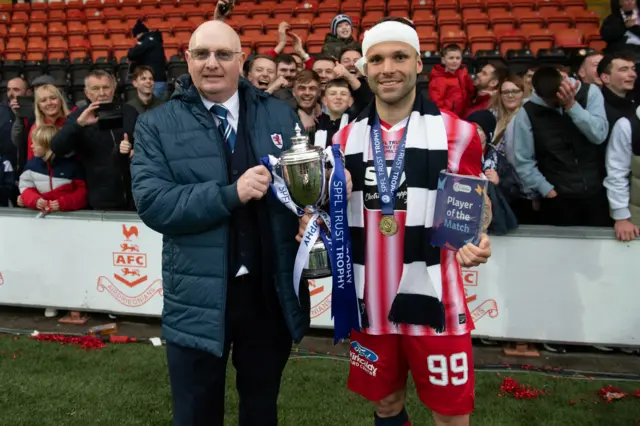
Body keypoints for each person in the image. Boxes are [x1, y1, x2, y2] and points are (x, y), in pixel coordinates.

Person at [130, 20, 315, 426]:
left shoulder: (280, 115)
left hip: (269, 294)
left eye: (223, 54)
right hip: (198, 299)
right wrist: (230, 193)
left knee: (262, 409)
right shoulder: (155, 125)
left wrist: (318, 200)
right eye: (201, 54)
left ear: (241, 60)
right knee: (196, 414)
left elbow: (303, 187)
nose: (211, 64)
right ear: (187, 60)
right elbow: (154, 203)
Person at [311, 17, 491, 426]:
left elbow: (477, 202)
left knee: (450, 415)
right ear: (364, 69)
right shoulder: (343, 140)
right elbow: (329, 213)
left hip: (437, 303)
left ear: (418, 64)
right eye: (376, 59)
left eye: (398, 57)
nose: (387, 68)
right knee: (386, 405)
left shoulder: (459, 133)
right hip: (367, 302)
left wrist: (478, 234)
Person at [513, 66, 611, 227]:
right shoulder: (528, 112)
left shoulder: (589, 93)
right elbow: (523, 160)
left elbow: (598, 136)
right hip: (558, 198)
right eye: (551, 100)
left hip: (596, 191)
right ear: (538, 94)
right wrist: (547, 191)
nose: (557, 102)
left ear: (564, 82)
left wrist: (572, 106)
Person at [50, 70, 138, 211]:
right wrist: (79, 125)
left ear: (113, 88)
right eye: (96, 89)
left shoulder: (129, 112)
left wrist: (135, 151)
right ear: (87, 92)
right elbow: (57, 147)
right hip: (100, 198)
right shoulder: (78, 117)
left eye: (106, 87)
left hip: (134, 193)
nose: (102, 93)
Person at [428, 44, 475, 117]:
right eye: (451, 58)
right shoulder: (438, 79)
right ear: (443, 60)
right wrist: (448, 115)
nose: (454, 61)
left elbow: (471, 91)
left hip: (464, 115)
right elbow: (437, 102)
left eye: (457, 58)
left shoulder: (464, 74)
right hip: (449, 117)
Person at [128, 20, 167, 98]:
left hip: (153, 81)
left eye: (136, 36)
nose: (136, 39)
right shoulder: (156, 41)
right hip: (159, 79)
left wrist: (135, 47)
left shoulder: (147, 42)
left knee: (153, 107)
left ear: (139, 34)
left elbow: (131, 54)